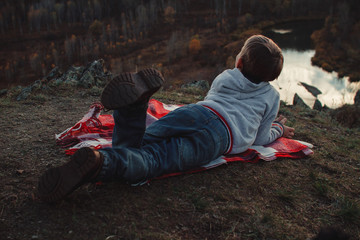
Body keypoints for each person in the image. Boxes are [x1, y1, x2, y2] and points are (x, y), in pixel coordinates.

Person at [38, 35, 295, 202]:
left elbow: (214, 100)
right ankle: (99, 163)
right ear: (272, 77)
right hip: (218, 137)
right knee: (157, 158)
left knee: (144, 140)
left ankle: (134, 109)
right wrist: (278, 129)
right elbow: (260, 138)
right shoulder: (271, 97)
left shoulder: (227, 76)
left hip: (198, 112)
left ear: (239, 62)